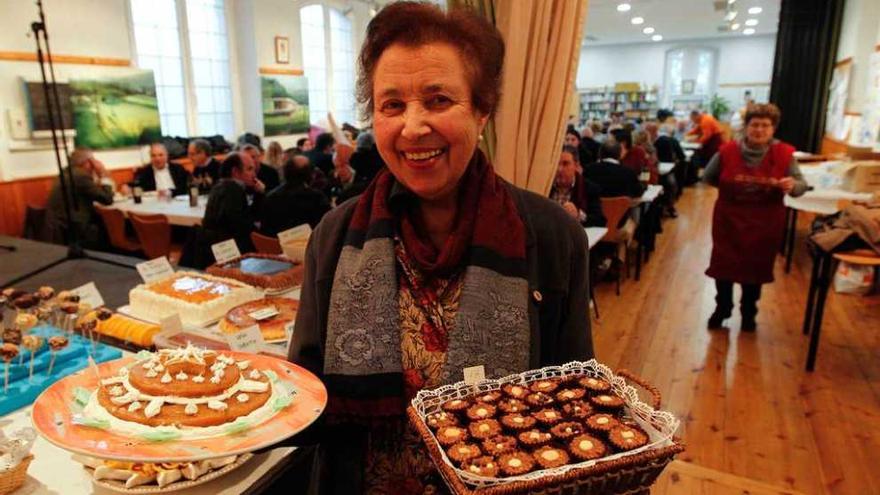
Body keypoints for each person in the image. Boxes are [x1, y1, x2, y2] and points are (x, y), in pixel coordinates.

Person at [288, 3, 593, 492]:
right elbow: (303, 391)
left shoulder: (552, 236)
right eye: (392, 105)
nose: (413, 127)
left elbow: (572, 401)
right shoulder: (335, 237)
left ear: (481, 108)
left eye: (438, 100)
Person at [704, 103, 807, 332]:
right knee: (724, 265)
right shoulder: (727, 151)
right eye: (755, 124)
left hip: (765, 223)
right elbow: (709, 177)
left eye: (765, 125)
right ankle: (723, 308)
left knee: (755, 267)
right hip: (729, 220)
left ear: (773, 129)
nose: (759, 130)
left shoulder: (785, 154)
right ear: (746, 127)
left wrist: (793, 185)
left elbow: (802, 186)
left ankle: (749, 312)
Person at [45, 148, 114, 249]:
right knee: (107, 227)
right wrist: (103, 175)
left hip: (57, 227)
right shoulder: (80, 176)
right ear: (88, 162)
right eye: (94, 161)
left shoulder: (66, 172)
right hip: (74, 228)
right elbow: (107, 199)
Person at [201, 152, 261, 254]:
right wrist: (261, 194)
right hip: (230, 251)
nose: (254, 174)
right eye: (250, 169)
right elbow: (242, 228)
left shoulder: (219, 186)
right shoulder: (233, 190)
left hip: (212, 248)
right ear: (235, 171)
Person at [260, 154, 331, 236]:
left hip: (276, 246)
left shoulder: (270, 198)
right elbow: (327, 229)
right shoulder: (317, 198)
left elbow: (265, 231)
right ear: (311, 175)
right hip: (310, 246)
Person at [550, 145, 606, 227]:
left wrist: (578, 215)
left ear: (576, 166)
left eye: (565, 164)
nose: (559, 169)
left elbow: (600, 220)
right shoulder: (546, 186)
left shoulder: (589, 188)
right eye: (556, 163)